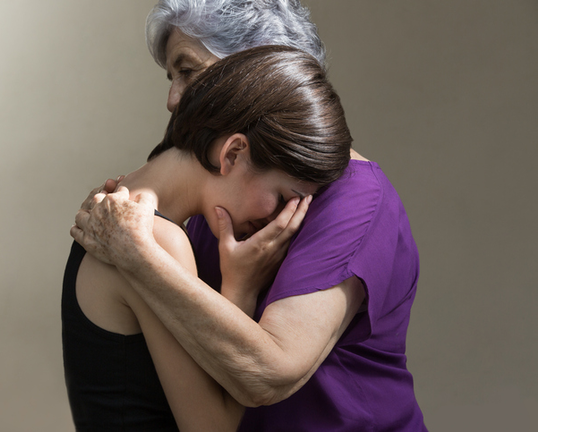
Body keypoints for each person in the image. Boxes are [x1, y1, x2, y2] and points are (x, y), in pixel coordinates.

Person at [71, 1, 427, 431]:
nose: (174, 99)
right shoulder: (217, 192)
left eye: (189, 70)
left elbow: (270, 373)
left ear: (259, 72)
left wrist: (136, 253)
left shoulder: (353, 199)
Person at [63, 45, 353, 431]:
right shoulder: (152, 238)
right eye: (283, 198)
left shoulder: (124, 209)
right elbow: (213, 426)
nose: (281, 221)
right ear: (233, 153)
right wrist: (240, 288)